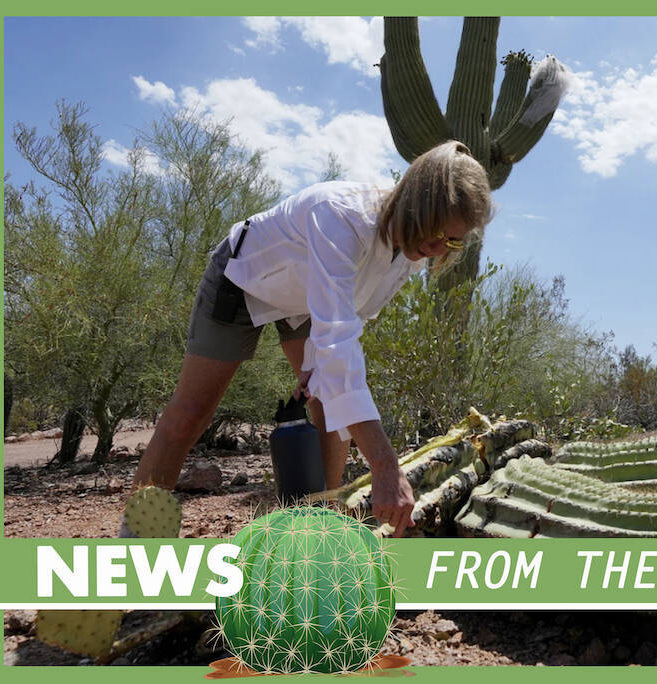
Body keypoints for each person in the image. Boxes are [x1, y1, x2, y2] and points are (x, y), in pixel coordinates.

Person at [128, 141, 492, 538]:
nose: (439, 248)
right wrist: (385, 468)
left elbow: (347, 327)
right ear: (414, 202)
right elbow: (339, 341)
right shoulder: (338, 215)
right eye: (438, 231)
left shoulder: (408, 253)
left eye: (454, 241)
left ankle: (317, 530)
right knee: (191, 414)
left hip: (306, 302)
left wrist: (317, 366)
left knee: (329, 407)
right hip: (246, 280)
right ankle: (136, 546)